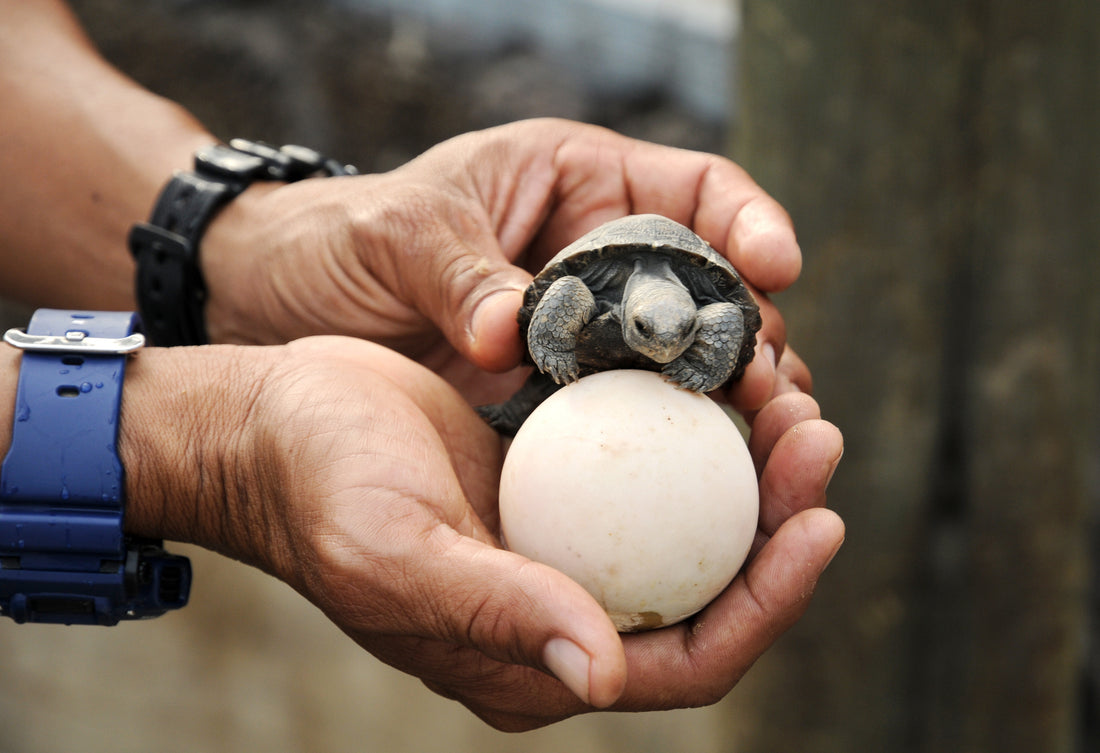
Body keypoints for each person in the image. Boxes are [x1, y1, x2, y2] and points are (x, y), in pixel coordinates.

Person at [0, 0, 845, 732]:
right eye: (655, 332)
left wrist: (243, 248)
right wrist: (215, 448)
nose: (665, 344)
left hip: (613, 390)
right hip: (570, 375)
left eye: (678, 337)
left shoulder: (699, 310)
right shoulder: (584, 295)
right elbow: (548, 314)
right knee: (527, 389)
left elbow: (729, 319)